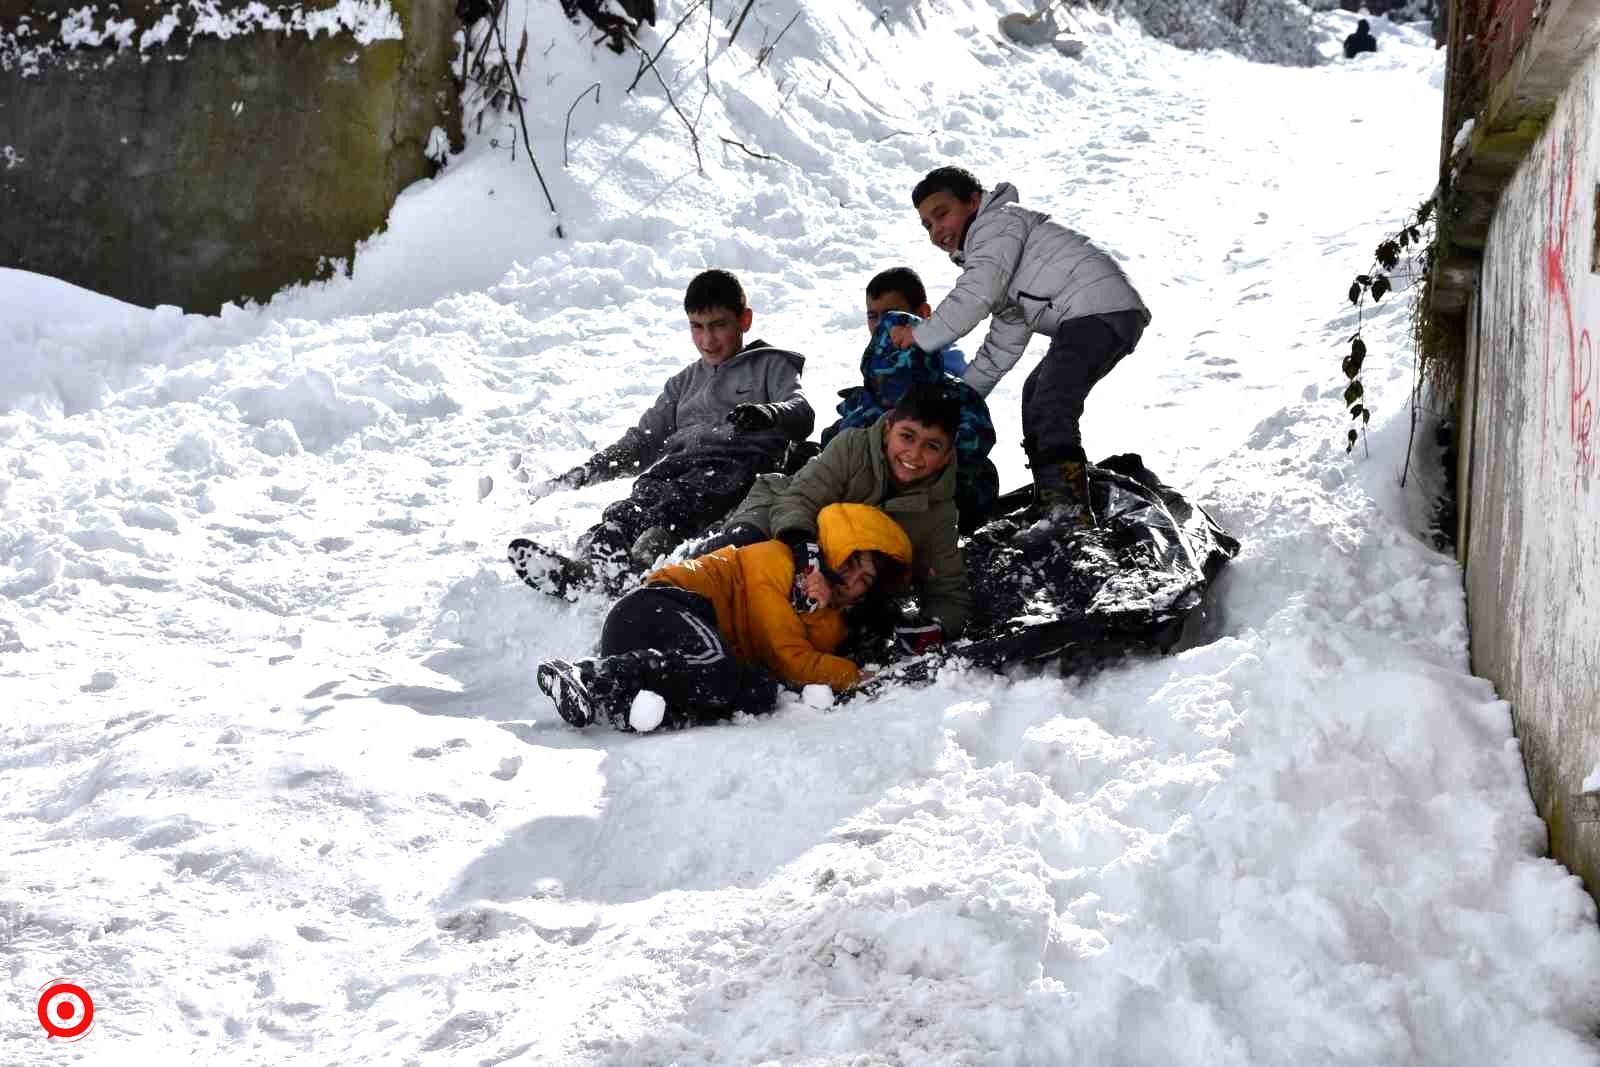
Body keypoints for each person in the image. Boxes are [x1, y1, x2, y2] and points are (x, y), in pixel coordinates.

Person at [513, 269, 814, 598]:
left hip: (737, 466)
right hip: (679, 467)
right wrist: (590, 469)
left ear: (745, 320)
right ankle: (587, 565)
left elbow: (801, 411)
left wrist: (768, 414)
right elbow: (643, 441)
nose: (707, 340)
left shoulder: (770, 365)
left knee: (678, 504)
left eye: (718, 325)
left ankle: (640, 566)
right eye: (697, 327)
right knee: (633, 506)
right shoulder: (683, 383)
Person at [890, 166, 1150, 528]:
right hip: (1098, 314)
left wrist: (918, 336)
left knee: (1051, 399)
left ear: (975, 201)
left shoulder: (996, 227)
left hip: (1099, 309)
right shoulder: (1002, 262)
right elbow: (1001, 344)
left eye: (942, 214)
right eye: (927, 226)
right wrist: (964, 395)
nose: (937, 232)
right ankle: (1052, 497)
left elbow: (976, 295)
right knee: (1036, 393)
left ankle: (1068, 508)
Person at [535, 502, 913, 732]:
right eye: (851, 564)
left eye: (866, 580)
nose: (853, 581)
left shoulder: (832, 621)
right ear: (833, 548)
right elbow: (790, 658)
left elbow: (790, 662)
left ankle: (633, 707)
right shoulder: (777, 559)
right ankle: (587, 675)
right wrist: (856, 676)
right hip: (656, 609)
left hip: (680, 655)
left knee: (757, 690)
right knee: (719, 667)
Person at [709, 382, 972, 655]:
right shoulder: (852, 447)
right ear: (887, 430)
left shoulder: (939, 510)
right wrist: (804, 549)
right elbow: (798, 500)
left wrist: (936, 627)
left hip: (843, 573)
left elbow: (948, 592)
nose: (914, 454)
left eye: (931, 446)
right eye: (907, 436)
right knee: (737, 558)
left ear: (946, 457)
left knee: (855, 629)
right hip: (782, 515)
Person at [825, 310, 999, 525]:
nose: (893, 389)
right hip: (866, 503)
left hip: (939, 503)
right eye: (885, 378)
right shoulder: (866, 399)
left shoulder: (958, 399)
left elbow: (972, 447)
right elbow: (841, 446)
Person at [866, 266, 967, 377]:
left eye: (891, 316)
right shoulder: (879, 357)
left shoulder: (943, 359)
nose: (879, 325)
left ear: (923, 313)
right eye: (872, 316)